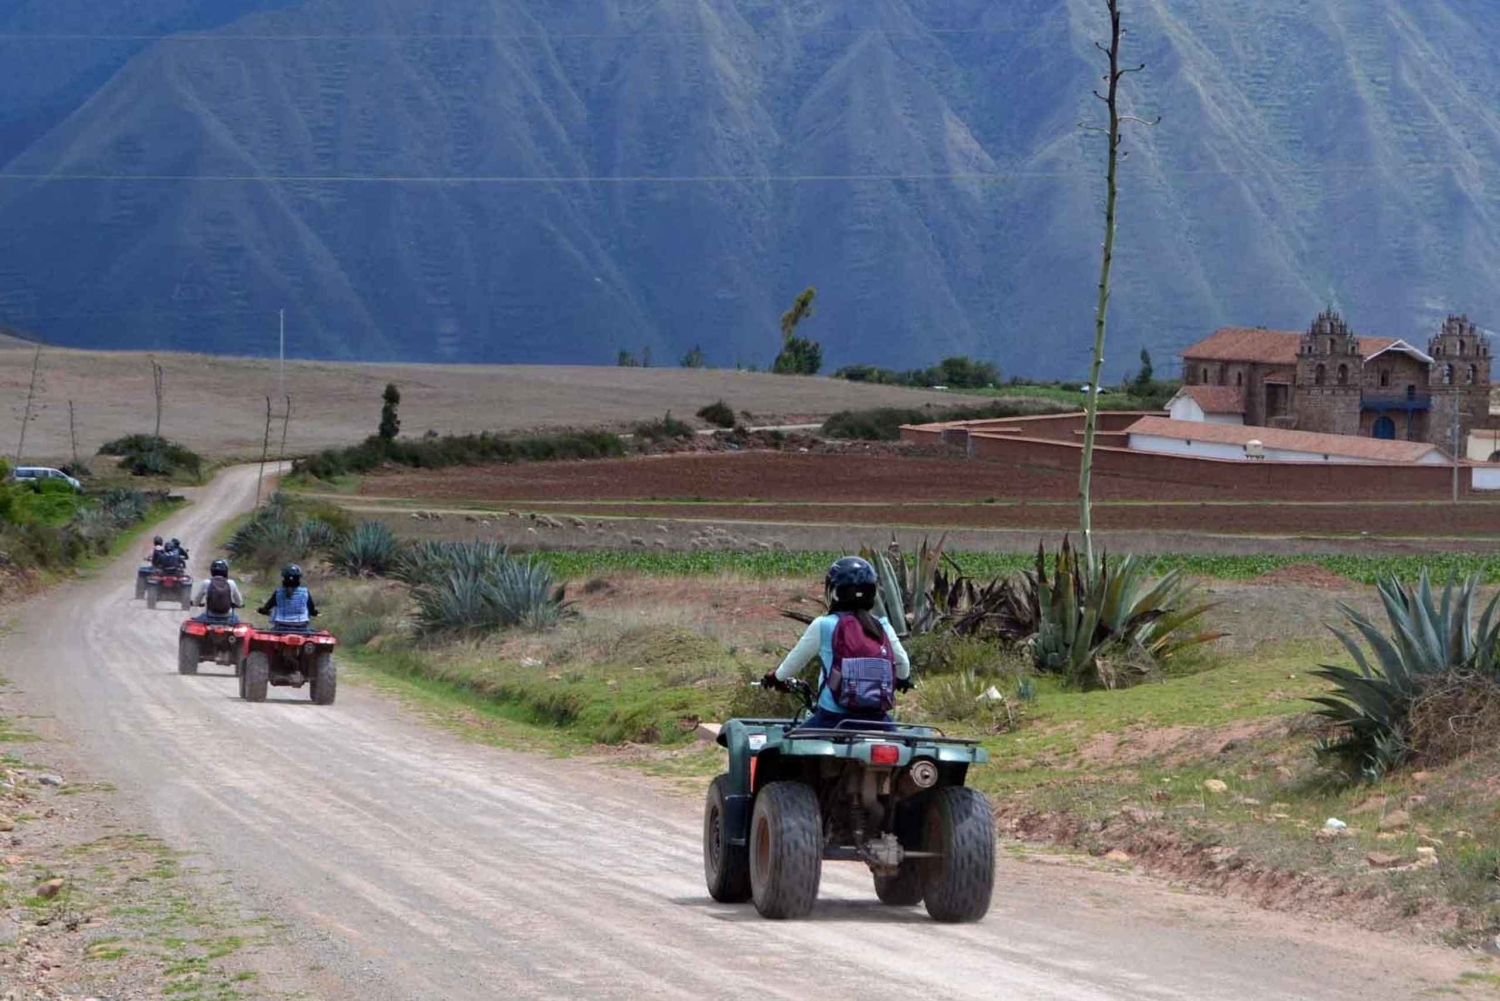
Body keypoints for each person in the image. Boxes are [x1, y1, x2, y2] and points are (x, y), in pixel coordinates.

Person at [762, 556, 913, 730]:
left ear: (834, 592)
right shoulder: (883, 625)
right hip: (876, 719)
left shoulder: (823, 625)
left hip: (832, 719)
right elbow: (903, 663)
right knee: (900, 742)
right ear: (872, 592)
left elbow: (794, 663)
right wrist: (902, 679)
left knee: (788, 742)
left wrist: (776, 678)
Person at [256, 564, 319, 631]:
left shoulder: (278, 592)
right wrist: (314, 612)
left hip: (281, 625)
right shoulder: (305, 592)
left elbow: (267, 607)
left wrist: (263, 610)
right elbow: (311, 609)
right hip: (301, 625)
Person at [191, 559, 244, 623]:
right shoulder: (231, 583)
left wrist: (195, 603)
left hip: (209, 617)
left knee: (194, 622)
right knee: (238, 623)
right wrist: (238, 605)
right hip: (227, 618)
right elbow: (239, 603)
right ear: (226, 571)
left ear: (212, 571)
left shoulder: (206, 583)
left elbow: (196, 602)